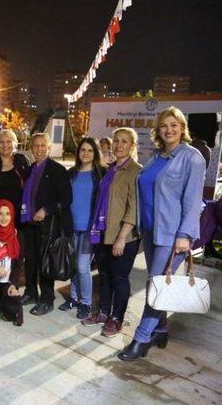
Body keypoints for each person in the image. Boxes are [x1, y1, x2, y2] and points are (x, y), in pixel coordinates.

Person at [119, 107, 206, 361]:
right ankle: (160, 329)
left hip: (173, 234)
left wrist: (184, 235)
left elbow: (193, 200)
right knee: (158, 282)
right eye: (164, 126)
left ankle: (141, 338)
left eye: (174, 125)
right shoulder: (157, 156)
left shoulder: (192, 158)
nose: (169, 130)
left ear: (182, 128)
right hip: (150, 230)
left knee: (154, 286)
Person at [82, 127, 142, 337]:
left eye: (124, 141)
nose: (118, 145)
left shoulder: (136, 171)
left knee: (120, 278)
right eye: (116, 141)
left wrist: (122, 237)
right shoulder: (111, 169)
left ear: (132, 146)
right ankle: (103, 312)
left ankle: (116, 318)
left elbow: (134, 208)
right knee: (105, 275)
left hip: (123, 237)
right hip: (104, 234)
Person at [20, 133, 73, 316]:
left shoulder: (57, 170)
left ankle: (47, 299)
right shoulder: (30, 169)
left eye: (43, 146)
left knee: (44, 263)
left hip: (48, 225)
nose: (39, 149)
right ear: (31, 148)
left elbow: (66, 199)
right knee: (31, 261)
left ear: (49, 148)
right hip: (29, 223)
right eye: (36, 146)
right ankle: (30, 292)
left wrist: (46, 209)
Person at [58, 137, 105, 319]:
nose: (85, 153)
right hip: (72, 227)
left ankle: (86, 303)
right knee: (73, 265)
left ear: (95, 153)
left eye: (90, 150)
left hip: (89, 229)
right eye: (82, 150)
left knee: (83, 266)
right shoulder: (71, 174)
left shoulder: (100, 174)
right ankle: (74, 298)